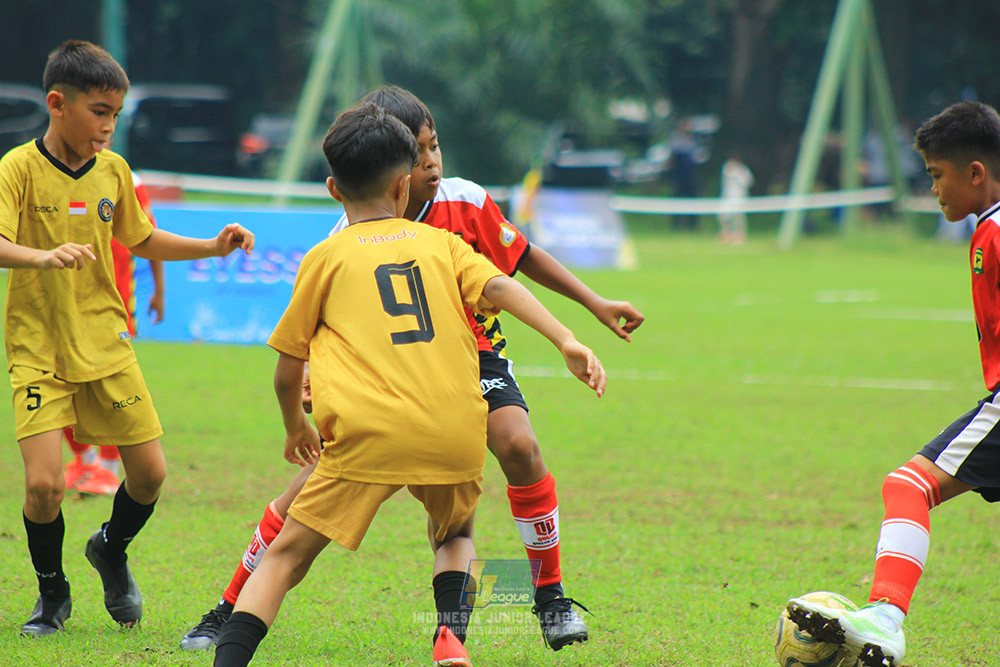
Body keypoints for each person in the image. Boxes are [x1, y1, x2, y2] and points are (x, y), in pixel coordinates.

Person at [181, 85, 644, 652]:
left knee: (518, 446)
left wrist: (592, 307)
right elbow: (325, 330)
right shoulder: (345, 241)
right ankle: (226, 605)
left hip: (470, 362)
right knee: (307, 496)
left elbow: (518, 261)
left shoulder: (464, 202)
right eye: (420, 153)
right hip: (389, 374)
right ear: (398, 170)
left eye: (435, 147)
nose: (432, 163)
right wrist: (312, 382)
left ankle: (548, 596)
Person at [0, 40, 255, 637]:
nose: (109, 126)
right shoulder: (16, 168)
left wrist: (211, 247)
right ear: (57, 103)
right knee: (43, 485)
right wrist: (41, 255)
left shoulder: (115, 170)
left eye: (116, 113)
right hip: (38, 347)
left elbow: (142, 239)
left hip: (106, 344)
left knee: (150, 476)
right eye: (99, 112)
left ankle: (110, 548)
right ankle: (51, 595)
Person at [786, 100, 1000, 667]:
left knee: (908, 484)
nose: (933, 190)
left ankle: (884, 620)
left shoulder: (996, 233)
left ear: (974, 173)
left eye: (937, 175)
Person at [64, 170, 167, 496]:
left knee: (105, 388)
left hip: (113, 302)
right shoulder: (49, 171)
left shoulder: (126, 179)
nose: (105, 128)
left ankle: (108, 471)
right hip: (61, 303)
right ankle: (84, 458)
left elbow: (149, 236)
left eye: (110, 116)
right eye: (98, 114)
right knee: (61, 386)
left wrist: (159, 290)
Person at [717, 153, 753, 244]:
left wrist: (738, 173)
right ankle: (726, 235)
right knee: (723, 216)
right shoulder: (727, 168)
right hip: (727, 197)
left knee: (738, 217)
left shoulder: (743, 170)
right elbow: (727, 176)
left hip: (739, 197)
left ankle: (739, 236)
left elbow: (748, 182)